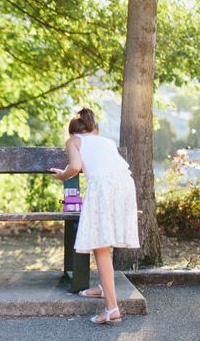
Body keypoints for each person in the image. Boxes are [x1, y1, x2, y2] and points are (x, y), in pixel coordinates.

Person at [50, 108, 140, 325]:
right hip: (125, 184)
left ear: (73, 132)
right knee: (106, 239)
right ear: (93, 128)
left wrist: (62, 175)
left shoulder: (73, 141)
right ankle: (103, 287)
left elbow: (75, 166)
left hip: (103, 187)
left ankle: (112, 309)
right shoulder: (105, 141)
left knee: (100, 245)